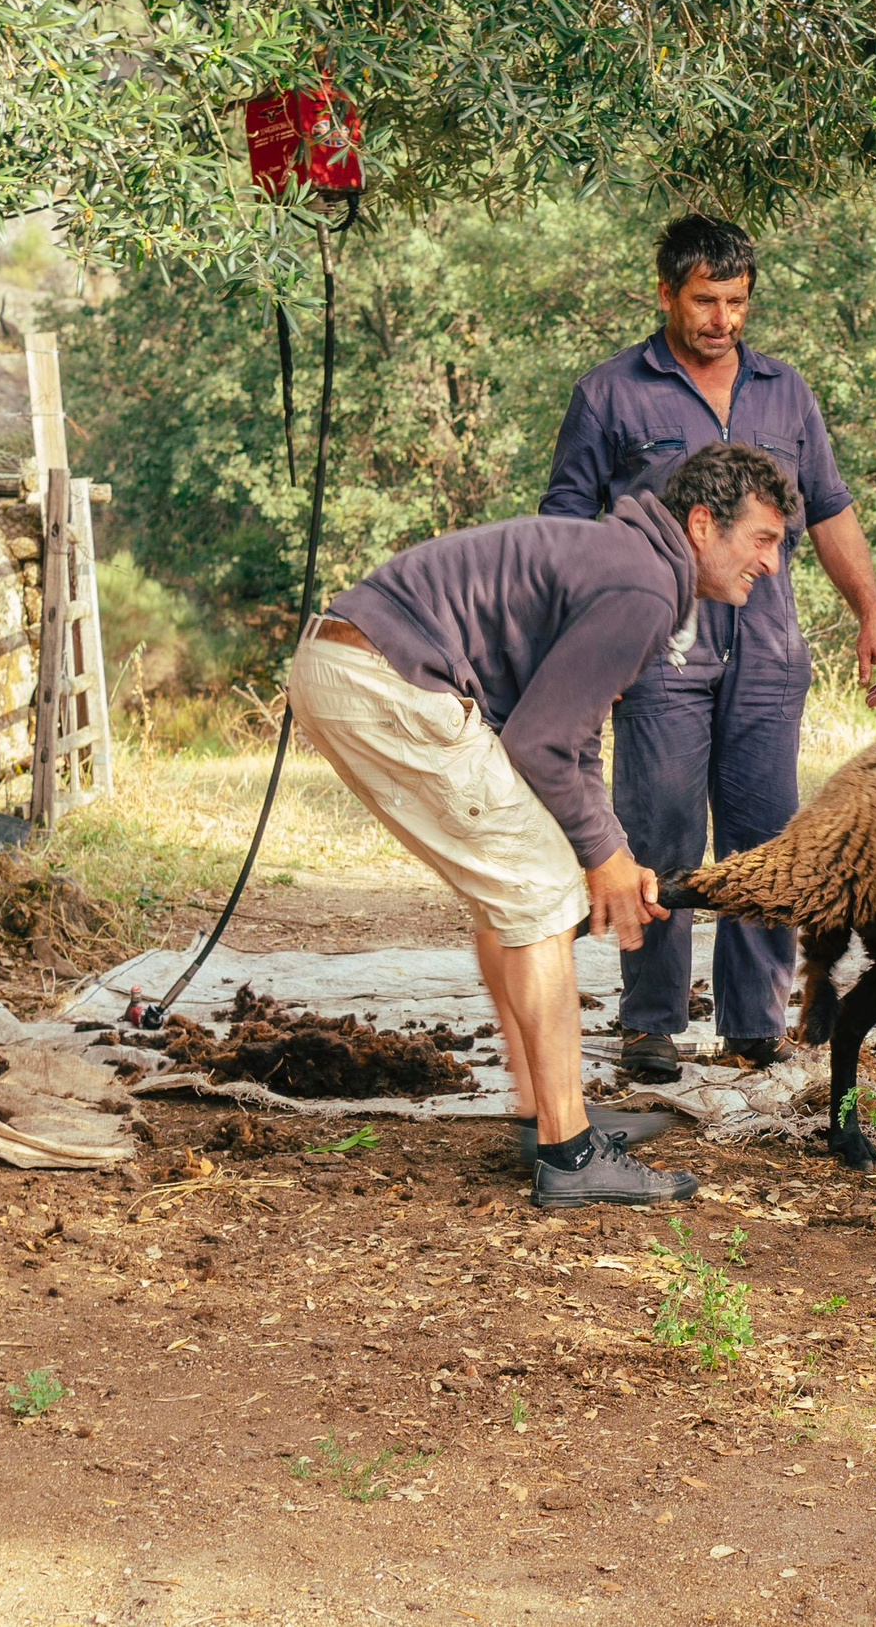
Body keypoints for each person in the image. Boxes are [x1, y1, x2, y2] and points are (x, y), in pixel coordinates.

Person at [286, 444, 801, 1207]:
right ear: (702, 524)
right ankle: (568, 1150)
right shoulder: (643, 585)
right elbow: (540, 744)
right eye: (763, 538)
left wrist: (605, 851)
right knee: (537, 893)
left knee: (526, 887)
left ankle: (542, 1112)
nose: (774, 560)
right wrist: (604, 858)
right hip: (384, 676)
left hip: (353, 661)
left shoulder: (627, 560)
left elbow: (571, 734)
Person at [543, 214, 876, 1081]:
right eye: (705, 300)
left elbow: (830, 509)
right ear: (665, 294)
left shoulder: (786, 391)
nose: (722, 319)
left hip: (769, 656)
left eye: (737, 302)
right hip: (659, 655)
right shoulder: (610, 393)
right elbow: (563, 525)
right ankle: (651, 1021)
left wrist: (871, 613)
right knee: (661, 833)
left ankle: (751, 1023)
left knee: (766, 841)